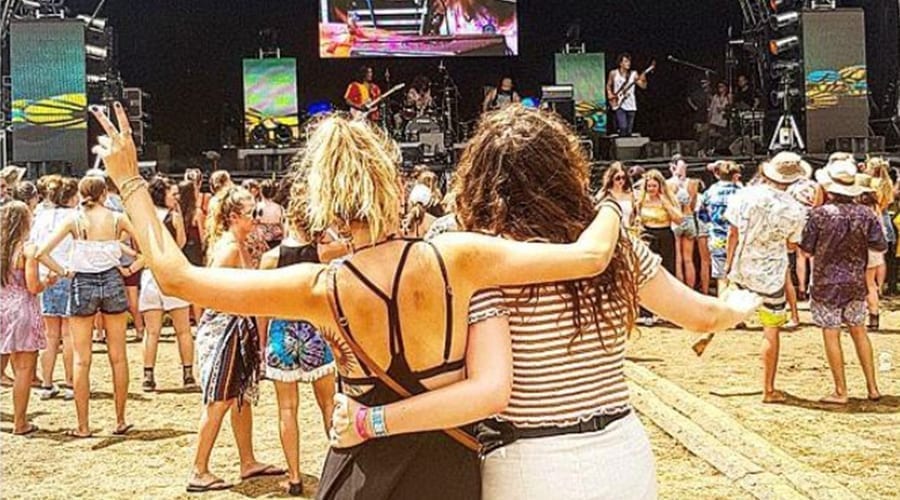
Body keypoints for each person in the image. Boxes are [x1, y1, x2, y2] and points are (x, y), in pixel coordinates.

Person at [90, 101, 623, 499]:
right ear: (389, 183)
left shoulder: (321, 287)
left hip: (362, 469)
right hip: (449, 469)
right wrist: (612, 207)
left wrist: (129, 179)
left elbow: (178, 276)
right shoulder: (457, 256)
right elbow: (588, 257)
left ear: (329, 205)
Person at [327, 106, 760, 500]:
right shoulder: (612, 245)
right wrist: (739, 304)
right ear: (565, 167)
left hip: (526, 460)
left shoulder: (470, 255)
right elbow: (700, 313)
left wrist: (372, 420)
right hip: (621, 452)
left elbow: (480, 382)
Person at [36, 176, 137, 436]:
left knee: (82, 359)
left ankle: (83, 426)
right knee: (119, 356)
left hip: (82, 282)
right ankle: (120, 419)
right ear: (104, 193)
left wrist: (63, 271)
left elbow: (40, 253)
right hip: (113, 279)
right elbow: (147, 245)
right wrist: (131, 268)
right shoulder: (118, 218)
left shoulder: (75, 220)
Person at [257, 172, 337, 497]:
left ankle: (293, 477)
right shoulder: (325, 252)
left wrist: (263, 343)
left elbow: (260, 306)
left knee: (286, 409)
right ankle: (336, 467)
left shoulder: (270, 259)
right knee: (329, 405)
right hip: (316, 331)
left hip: (282, 330)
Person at [724, 152, 809, 404]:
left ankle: (705, 334)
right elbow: (793, 245)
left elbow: (733, 233)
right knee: (771, 331)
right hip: (772, 273)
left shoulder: (745, 195)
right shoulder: (795, 209)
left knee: (726, 309)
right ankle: (768, 389)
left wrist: (729, 264)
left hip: (743, 265)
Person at [801, 160, 884, 403]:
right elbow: (879, 245)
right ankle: (873, 387)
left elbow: (806, 249)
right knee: (859, 332)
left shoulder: (819, 215)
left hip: (826, 281)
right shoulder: (866, 214)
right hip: (856, 281)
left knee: (831, 334)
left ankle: (841, 391)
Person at [140, 177, 195, 391]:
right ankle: (188, 374)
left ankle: (148, 375)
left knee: (151, 331)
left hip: (150, 274)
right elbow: (181, 242)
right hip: (172, 273)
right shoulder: (174, 216)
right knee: (183, 330)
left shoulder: (144, 218)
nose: (176, 197)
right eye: (173, 193)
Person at [1, 201, 50, 435]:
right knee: (23, 369)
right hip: (22, 310)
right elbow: (32, 286)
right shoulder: (27, 249)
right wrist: (48, 282)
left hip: (1, 307)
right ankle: (20, 422)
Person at [30, 176, 78, 401]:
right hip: (68, 274)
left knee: (50, 335)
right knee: (69, 335)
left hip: (45, 276)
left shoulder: (40, 217)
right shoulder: (75, 217)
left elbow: (35, 245)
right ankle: (70, 382)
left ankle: (47, 383)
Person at [699, 160, 743, 296]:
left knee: (721, 277)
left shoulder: (709, 192)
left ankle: (724, 308)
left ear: (718, 175)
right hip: (739, 240)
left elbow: (702, 216)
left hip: (717, 238)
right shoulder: (742, 193)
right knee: (738, 277)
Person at [668, 156, 711, 293]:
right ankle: (691, 290)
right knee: (689, 259)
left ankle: (681, 292)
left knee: (678, 259)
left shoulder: (668, 184)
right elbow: (692, 205)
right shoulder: (693, 183)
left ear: (672, 167)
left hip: (675, 220)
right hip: (689, 218)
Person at [861, 157, 896, 328]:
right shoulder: (887, 183)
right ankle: (875, 312)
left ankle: (857, 315)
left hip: (863, 240)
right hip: (882, 223)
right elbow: (887, 203)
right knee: (872, 278)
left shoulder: (869, 185)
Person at [606, 53, 648, 137]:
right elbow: (608, 85)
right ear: (620, 63)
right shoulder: (613, 73)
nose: (628, 63)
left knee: (629, 131)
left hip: (631, 104)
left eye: (629, 61)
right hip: (619, 103)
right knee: (623, 127)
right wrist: (609, 94)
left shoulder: (633, 74)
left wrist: (643, 79)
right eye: (626, 61)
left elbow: (643, 86)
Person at [596, 162, 636, 229]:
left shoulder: (631, 194)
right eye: (618, 178)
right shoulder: (604, 194)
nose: (621, 181)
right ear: (611, 178)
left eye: (623, 178)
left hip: (627, 230)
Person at [701, 82, 731, 155]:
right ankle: (707, 150)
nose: (720, 88)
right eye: (719, 87)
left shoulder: (728, 96)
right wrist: (709, 118)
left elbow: (730, 107)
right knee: (711, 135)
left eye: (722, 86)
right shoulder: (715, 97)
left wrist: (723, 108)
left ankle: (717, 150)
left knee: (721, 136)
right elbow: (711, 108)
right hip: (714, 119)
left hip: (723, 120)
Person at [256, 179, 284, 250]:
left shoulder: (257, 207)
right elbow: (282, 224)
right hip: (276, 239)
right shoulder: (279, 208)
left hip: (261, 239)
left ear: (261, 192)